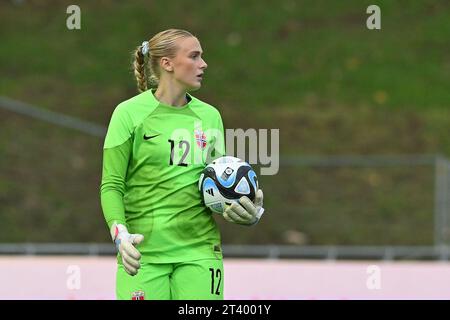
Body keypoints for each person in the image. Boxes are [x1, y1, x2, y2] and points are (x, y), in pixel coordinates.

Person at [100, 29, 265, 300]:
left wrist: (250, 210)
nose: (204, 64)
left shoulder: (210, 116)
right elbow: (112, 184)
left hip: (199, 252)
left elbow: (219, 186)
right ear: (167, 63)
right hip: (143, 255)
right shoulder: (128, 114)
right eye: (195, 56)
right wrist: (120, 234)